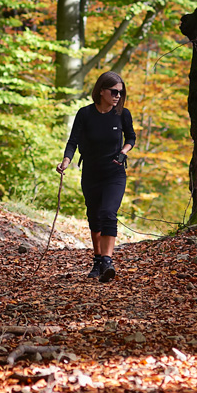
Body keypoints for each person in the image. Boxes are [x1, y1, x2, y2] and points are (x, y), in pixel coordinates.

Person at [57, 71, 136, 283]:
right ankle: (98, 260)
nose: (118, 95)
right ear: (101, 91)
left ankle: (108, 262)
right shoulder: (85, 114)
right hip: (91, 173)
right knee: (95, 217)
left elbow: (131, 137)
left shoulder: (123, 115)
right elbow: (73, 141)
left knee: (108, 212)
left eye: (121, 92)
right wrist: (66, 160)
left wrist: (124, 151)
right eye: (114, 91)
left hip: (114, 173)